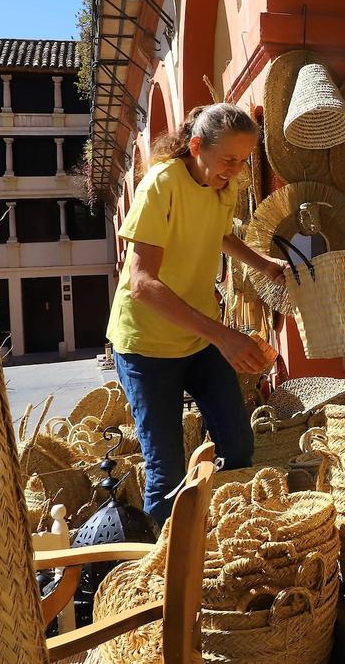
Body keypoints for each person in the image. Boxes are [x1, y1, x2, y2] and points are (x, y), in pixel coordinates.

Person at [106, 102, 286, 524]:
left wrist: (262, 263)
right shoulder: (161, 185)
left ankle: (225, 529)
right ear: (197, 146)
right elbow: (142, 283)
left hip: (198, 339)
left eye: (243, 161)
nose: (236, 171)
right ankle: (164, 557)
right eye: (228, 160)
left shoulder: (223, 186)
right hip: (146, 347)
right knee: (165, 471)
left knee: (237, 446)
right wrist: (223, 336)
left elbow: (219, 232)